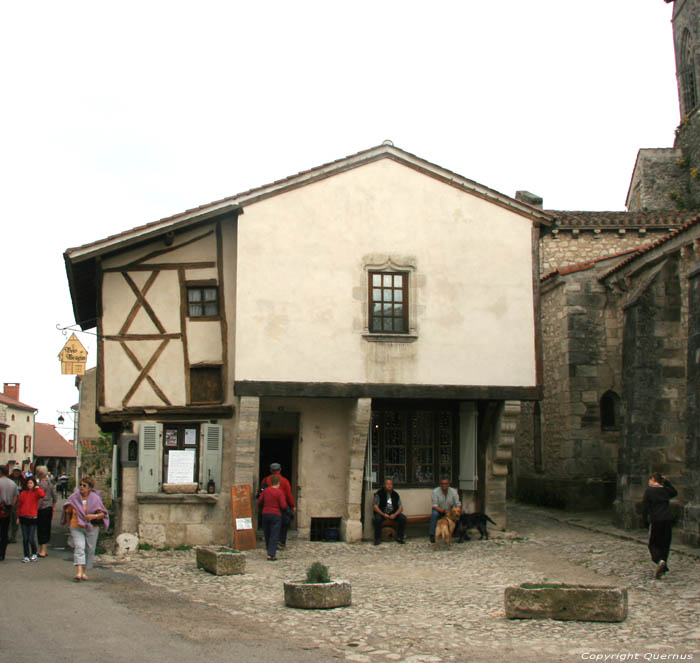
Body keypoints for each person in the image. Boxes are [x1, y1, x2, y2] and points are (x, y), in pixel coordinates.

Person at [62, 477, 109, 581]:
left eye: (84, 486)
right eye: (81, 485)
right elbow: (67, 511)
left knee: (90, 549)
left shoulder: (95, 499)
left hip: (91, 527)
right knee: (79, 547)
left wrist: (93, 516)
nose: (81, 487)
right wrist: (69, 524)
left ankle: (83, 572)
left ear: (90, 488)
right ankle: (79, 572)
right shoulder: (74, 497)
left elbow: (102, 513)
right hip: (76, 526)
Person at [642, 472, 678, 579]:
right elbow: (674, 492)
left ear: (653, 479)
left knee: (653, 544)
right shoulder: (665, 490)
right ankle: (663, 565)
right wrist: (667, 482)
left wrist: (645, 521)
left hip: (656, 520)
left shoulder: (649, 491)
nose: (649, 482)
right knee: (665, 544)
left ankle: (659, 560)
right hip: (667, 520)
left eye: (650, 479)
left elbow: (645, 507)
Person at [260, 462, 295, 548]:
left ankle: (269, 544)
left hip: (268, 506)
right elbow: (289, 495)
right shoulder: (285, 481)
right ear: (280, 470)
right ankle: (281, 541)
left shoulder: (265, 480)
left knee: (269, 526)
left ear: (270, 470)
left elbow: (261, 494)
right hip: (281, 505)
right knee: (284, 524)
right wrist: (292, 505)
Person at [256, 473, 287, 561]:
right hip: (276, 515)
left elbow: (259, 502)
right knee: (274, 534)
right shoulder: (279, 492)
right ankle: (271, 554)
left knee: (267, 533)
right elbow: (283, 505)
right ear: (278, 482)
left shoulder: (265, 491)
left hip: (265, 514)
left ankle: (268, 548)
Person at [16, 476, 45, 562]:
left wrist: (37, 488)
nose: (29, 485)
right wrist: (18, 517)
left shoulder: (36, 493)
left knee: (31, 538)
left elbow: (42, 495)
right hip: (23, 517)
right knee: (25, 538)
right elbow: (20, 505)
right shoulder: (23, 493)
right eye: (28, 483)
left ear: (34, 484)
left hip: (32, 517)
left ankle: (34, 553)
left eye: (31, 483)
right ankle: (26, 555)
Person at [372, 477, 407, 545]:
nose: (389, 486)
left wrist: (395, 514)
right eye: (387, 484)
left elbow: (400, 507)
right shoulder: (379, 493)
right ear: (384, 485)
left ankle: (400, 537)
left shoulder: (395, 494)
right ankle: (377, 538)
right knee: (377, 519)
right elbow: (375, 507)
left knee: (403, 518)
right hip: (382, 513)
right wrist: (383, 514)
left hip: (393, 513)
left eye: (391, 484)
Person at [429, 477, 461, 544]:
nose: (444, 485)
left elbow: (458, 504)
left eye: (446, 483)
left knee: (460, 514)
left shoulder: (453, 492)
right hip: (439, 510)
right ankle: (432, 534)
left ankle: (458, 532)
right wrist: (444, 511)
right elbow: (434, 505)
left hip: (450, 510)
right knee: (434, 514)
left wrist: (457, 510)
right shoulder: (435, 491)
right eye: (442, 483)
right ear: (440, 484)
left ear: (449, 484)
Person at [35, 466, 57, 558]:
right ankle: (44, 549)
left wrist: (36, 509)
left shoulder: (40, 485)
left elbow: (39, 498)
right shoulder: (50, 484)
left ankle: (42, 550)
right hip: (49, 508)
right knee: (47, 528)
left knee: (41, 528)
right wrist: (53, 506)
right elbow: (55, 497)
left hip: (42, 508)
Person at [0, 465, 19, 561]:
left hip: (0, 507)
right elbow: (16, 496)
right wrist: (11, 505)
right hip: (8, 508)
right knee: (4, 532)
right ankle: (2, 554)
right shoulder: (12, 483)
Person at [8, 467, 23, 542]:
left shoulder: (22, 480)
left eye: (18, 471)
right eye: (15, 471)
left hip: (18, 503)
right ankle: (6, 535)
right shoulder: (9, 479)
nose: (16, 473)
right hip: (9, 501)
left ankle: (13, 536)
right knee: (8, 519)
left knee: (15, 520)